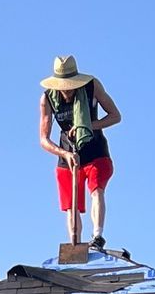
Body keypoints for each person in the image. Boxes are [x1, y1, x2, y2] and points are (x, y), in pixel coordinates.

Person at [37, 55, 122, 251]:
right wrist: (64, 154)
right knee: (70, 205)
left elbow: (115, 116)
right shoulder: (47, 98)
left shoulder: (92, 87)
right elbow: (43, 139)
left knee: (97, 189)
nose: (66, 90)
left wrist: (88, 126)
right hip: (67, 153)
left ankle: (98, 236)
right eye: (62, 86)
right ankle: (75, 245)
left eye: (70, 85)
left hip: (95, 150)